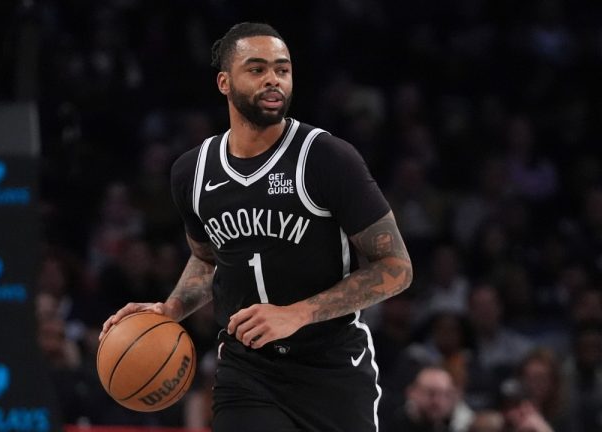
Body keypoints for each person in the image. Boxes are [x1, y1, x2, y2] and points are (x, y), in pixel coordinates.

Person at [100, 22, 413, 432]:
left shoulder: (327, 158)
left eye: (282, 70)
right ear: (224, 82)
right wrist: (171, 309)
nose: (273, 80)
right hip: (248, 372)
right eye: (257, 69)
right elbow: (206, 259)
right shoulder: (192, 173)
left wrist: (295, 314)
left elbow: (396, 267)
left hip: (332, 369)